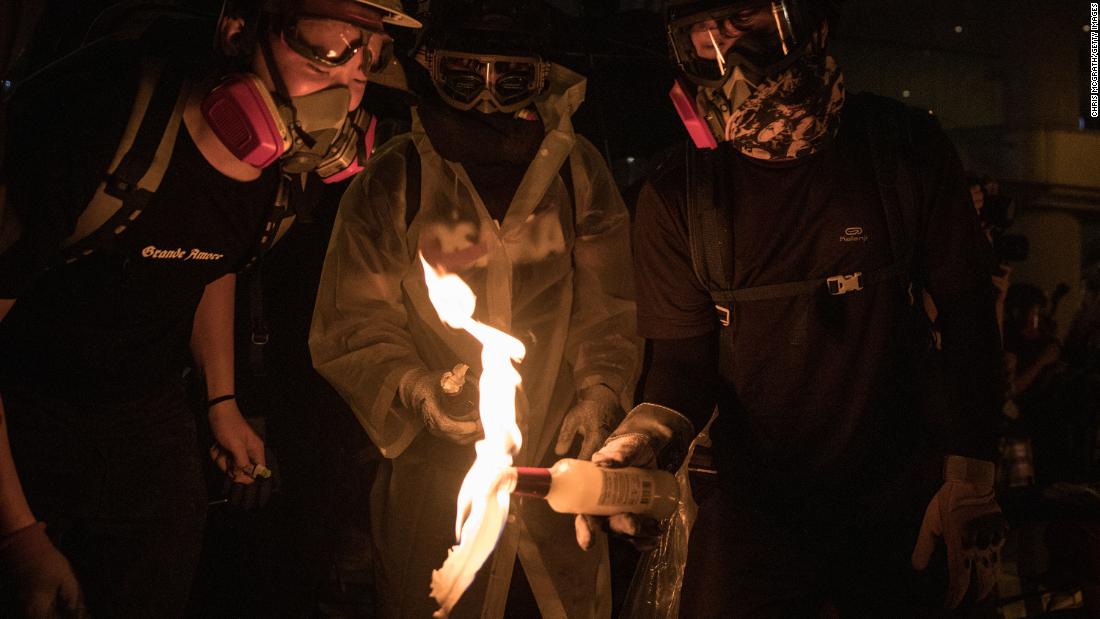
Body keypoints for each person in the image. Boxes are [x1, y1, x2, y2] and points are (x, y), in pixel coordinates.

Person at [581, 0, 1008, 616]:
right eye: (706, 27)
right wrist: (646, 439)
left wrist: (970, 475)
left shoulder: (901, 151)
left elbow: (969, 318)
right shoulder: (681, 195)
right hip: (754, 532)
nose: (727, 44)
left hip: (905, 517)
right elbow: (682, 364)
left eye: (748, 16)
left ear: (816, 22)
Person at [0, 0, 419, 616]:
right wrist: (16, 536)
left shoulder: (285, 174)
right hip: (21, 405)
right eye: (329, 43)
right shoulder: (96, 117)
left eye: (370, 55)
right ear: (238, 31)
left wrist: (222, 402)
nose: (353, 79)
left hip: (148, 413)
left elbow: (211, 261)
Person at [309, 1, 640, 616]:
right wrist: (415, 390)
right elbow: (354, 324)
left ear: (540, 76)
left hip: (557, 462)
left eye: (508, 78)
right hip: (439, 485)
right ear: (431, 67)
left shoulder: (576, 171)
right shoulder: (395, 179)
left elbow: (610, 306)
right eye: (465, 76)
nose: (486, 100)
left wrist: (600, 390)